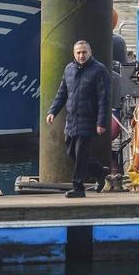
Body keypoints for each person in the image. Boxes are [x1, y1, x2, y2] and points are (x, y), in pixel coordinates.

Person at [46, 40, 111, 198]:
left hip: (88, 120)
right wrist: (52, 111)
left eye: (84, 52)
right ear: (74, 54)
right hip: (72, 120)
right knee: (72, 153)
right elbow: (62, 93)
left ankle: (78, 187)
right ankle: (99, 171)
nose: (81, 55)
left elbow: (104, 99)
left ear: (90, 52)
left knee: (81, 154)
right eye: (78, 52)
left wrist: (101, 123)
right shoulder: (69, 69)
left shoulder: (99, 70)